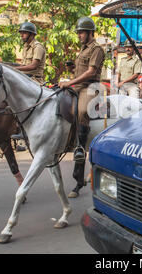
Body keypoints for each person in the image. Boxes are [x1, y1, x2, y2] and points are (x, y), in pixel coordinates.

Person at [59, 16, 105, 198]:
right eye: (78, 32)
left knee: (82, 111)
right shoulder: (82, 50)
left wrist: (70, 82)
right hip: (78, 86)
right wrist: (71, 70)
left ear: (90, 33)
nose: (79, 35)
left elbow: (91, 72)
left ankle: (80, 147)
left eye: (81, 32)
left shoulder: (97, 49)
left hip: (91, 88)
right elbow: (79, 71)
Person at [11, 22, 47, 145]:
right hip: (25, 78)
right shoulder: (26, 47)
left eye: (24, 33)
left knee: (20, 100)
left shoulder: (38, 47)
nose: (22, 35)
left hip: (34, 79)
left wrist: (14, 70)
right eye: (21, 33)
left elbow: (34, 65)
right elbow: (23, 65)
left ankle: (24, 131)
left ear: (31, 34)